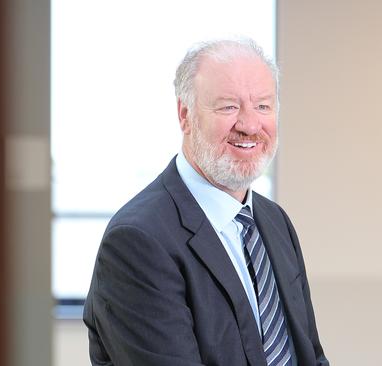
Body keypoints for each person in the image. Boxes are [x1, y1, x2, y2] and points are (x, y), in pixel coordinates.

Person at [83, 38, 329, 366]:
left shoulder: (274, 222)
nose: (250, 124)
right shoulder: (138, 241)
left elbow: (310, 356)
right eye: (228, 106)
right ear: (185, 115)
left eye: (263, 106)